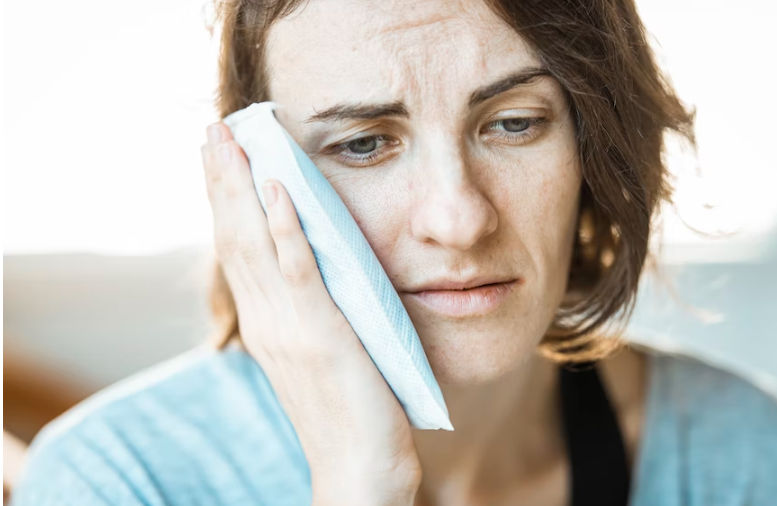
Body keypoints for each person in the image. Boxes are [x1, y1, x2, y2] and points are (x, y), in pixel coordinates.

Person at [11, 0, 777, 505]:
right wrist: (359, 487)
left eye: (513, 123)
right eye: (364, 143)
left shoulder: (738, 452)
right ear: (253, 176)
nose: (458, 220)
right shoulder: (114, 482)